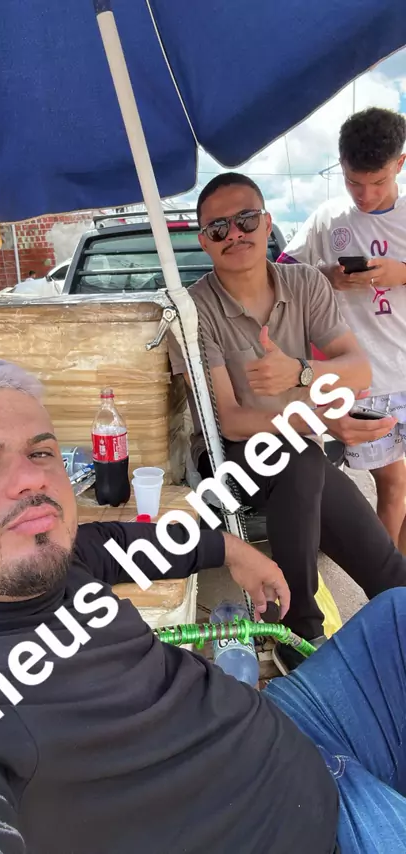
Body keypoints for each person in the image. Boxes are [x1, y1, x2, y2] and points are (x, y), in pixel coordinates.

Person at [0, 358, 405, 854]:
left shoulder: (59, 560)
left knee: (398, 611)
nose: (32, 478)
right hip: (315, 831)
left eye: (41, 451)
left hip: (288, 725)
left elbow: (117, 539)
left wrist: (232, 550)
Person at [167, 171, 406, 672]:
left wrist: (300, 372)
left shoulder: (305, 283)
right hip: (231, 461)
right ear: (203, 241)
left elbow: (357, 368)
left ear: (267, 221)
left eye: (246, 219)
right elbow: (230, 421)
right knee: (301, 458)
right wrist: (321, 419)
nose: (235, 233)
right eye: (218, 227)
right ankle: (300, 630)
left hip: (301, 452)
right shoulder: (192, 311)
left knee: (389, 571)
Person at [279, 108, 406, 551]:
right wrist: (325, 276)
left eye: (378, 182)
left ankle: (395, 576)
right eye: (354, 182)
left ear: (400, 163)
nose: (366, 195)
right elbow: (282, 273)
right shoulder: (328, 219)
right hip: (366, 383)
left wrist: (401, 273)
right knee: (392, 485)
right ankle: (388, 582)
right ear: (340, 166)